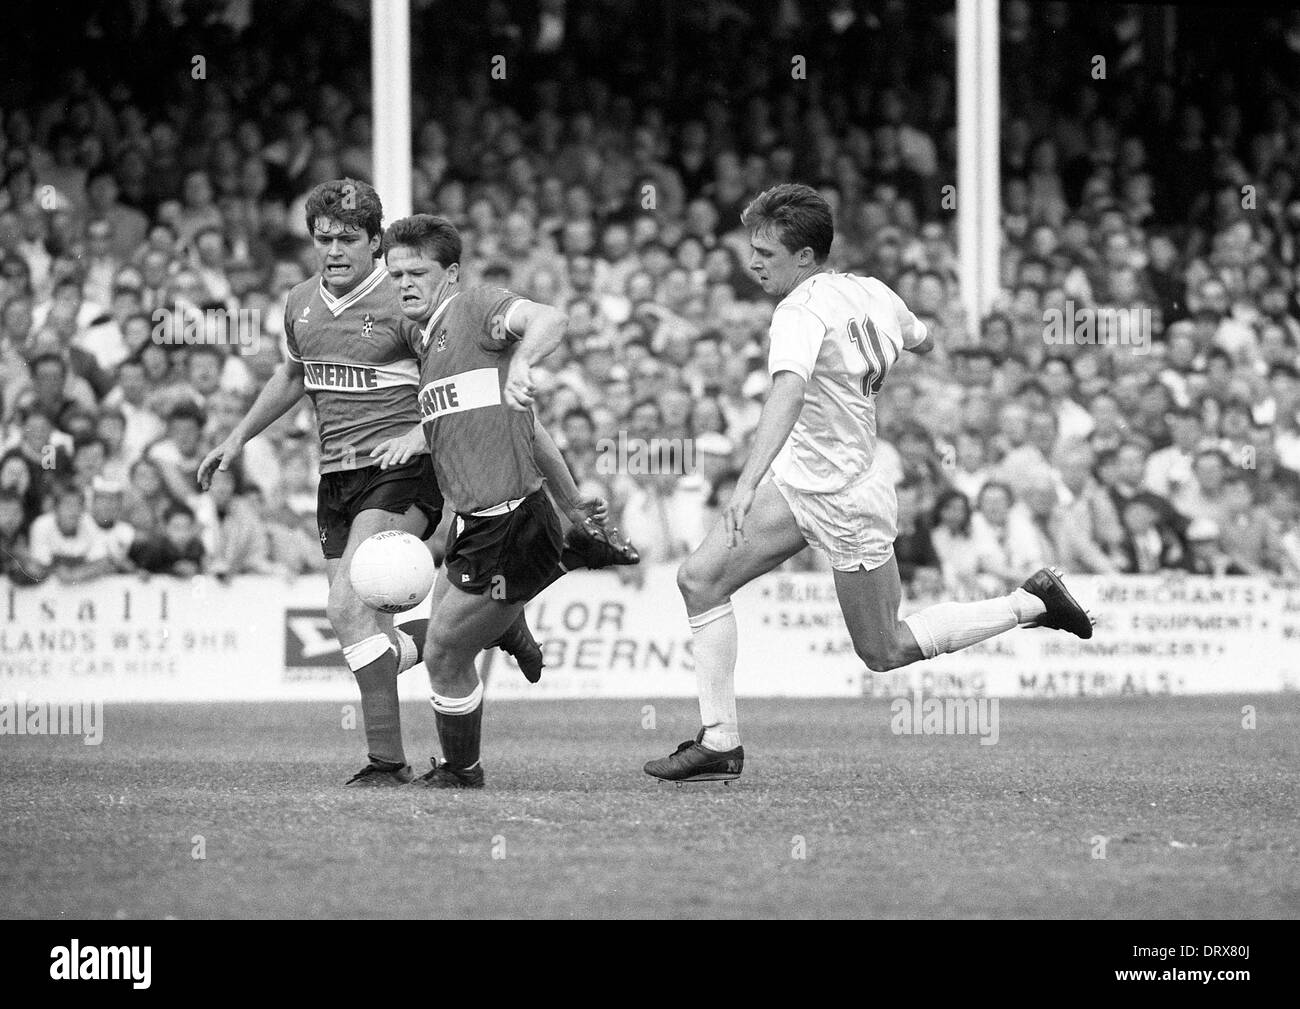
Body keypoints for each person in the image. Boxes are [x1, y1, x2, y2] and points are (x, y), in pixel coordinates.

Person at [643, 184, 1095, 783]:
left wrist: (745, 482)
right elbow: (923, 337)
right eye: (752, 249)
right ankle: (720, 740)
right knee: (699, 580)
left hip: (845, 499)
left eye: (766, 254)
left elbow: (788, 389)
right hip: (802, 483)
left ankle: (1030, 602)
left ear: (805, 258)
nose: (752, 263)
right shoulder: (872, 292)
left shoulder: (798, 311)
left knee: (883, 651)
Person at [379, 213, 635, 789]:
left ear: (451, 273)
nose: (405, 285)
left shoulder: (474, 310)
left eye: (416, 272)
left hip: (513, 523)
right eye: (395, 275)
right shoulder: (427, 342)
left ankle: (463, 772)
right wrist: (574, 507)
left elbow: (551, 317)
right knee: (443, 635)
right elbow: (531, 429)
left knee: (443, 655)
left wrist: (524, 358)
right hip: (479, 525)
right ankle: (512, 618)